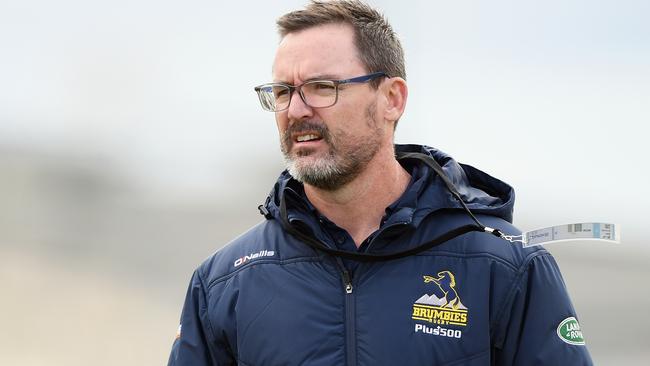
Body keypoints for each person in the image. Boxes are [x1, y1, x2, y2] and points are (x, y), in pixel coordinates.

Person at [168, 1, 593, 365]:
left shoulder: (504, 267)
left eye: (322, 87)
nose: (296, 110)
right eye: (283, 91)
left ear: (392, 98)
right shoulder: (224, 282)